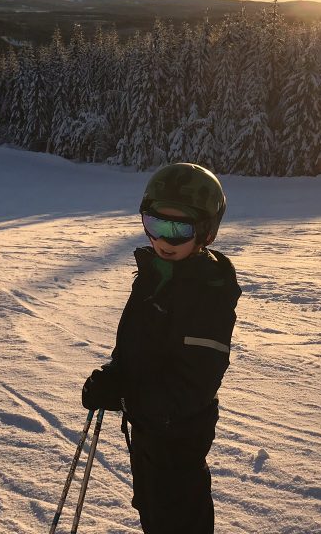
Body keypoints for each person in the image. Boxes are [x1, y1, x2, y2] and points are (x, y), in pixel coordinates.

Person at [81, 163, 240, 533]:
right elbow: (136, 344)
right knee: (152, 507)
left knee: (178, 516)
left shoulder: (208, 295)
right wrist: (114, 375)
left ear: (205, 232)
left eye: (179, 229)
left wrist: (126, 396)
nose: (164, 241)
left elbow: (193, 386)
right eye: (155, 226)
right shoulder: (154, 275)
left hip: (179, 439)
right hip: (150, 430)